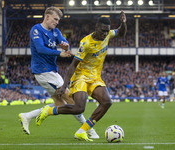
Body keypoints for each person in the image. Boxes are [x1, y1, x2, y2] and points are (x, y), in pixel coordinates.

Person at [36, 11, 127, 141]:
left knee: (107, 102)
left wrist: (123, 23)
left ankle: (81, 131)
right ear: (96, 28)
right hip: (81, 76)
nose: (105, 34)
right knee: (79, 108)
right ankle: (48, 111)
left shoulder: (107, 35)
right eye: (102, 31)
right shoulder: (86, 43)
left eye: (107, 31)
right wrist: (64, 85)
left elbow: (121, 32)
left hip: (95, 77)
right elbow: (73, 65)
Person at [18, 7, 99, 139]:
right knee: (72, 101)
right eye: (55, 19)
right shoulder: (36, 30)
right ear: (47, 17)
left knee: (60, 105)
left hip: (52, 71)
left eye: (58, 20)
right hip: (43, 72)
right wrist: (59, 52)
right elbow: (40, 49)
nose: (57, 22)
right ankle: (88, 131)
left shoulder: (55, 31)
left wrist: (65, 46)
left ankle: (27, 116)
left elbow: (64, 42)